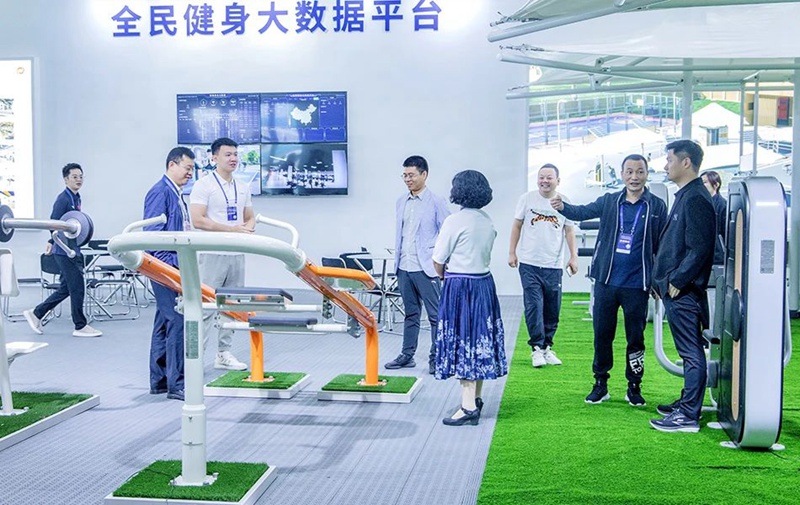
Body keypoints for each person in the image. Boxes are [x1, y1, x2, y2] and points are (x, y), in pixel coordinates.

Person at [551, 154, 667, 406]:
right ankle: (600, 383)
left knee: (636, 338)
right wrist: (563, 207)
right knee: (602, 335)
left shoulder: (656, 206)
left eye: (639, 172)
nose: (634, 177)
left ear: (646, 174)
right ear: (622, 174)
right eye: (629, 172)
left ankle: (634, 386)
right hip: (606, 282)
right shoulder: (610, 201)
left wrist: (658, 280)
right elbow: (582, 212)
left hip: (637, 284)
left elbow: (662, 245)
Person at [650, 140, 716, 433]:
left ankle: (689, 415)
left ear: (685, 162)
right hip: (674, 288)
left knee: (691, 352)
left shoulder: (696, 198)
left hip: (684, 290)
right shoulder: (686, 195)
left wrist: (677, 280)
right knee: (688, 350)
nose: (666, 165)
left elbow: (700, 248)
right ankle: (687, 404)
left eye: (669, 160)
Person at [433, 170, 507, 426]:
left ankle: (467, 407)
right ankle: (475, 399)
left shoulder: (454, 221)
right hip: (484, 284)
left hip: (460, 285)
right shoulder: (487, 220)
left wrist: (443, 275)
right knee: (481, 338)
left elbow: (438, 260)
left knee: (463, 340)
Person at [189, 137, 254, 371]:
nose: (233, 158)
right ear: (214, 157)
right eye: (228, 154)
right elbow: (198, 220)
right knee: (206, 306)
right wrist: (231, 230)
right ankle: (196, 359)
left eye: (235, 154)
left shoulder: (243, 186)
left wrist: (247, 228)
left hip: (236, 253)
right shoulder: (203, 185)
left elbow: (250, 216)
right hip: (211, 253)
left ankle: (223, 353)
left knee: (232, 305)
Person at [385, 155, 450, 374]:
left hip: (426, 268)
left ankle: (436, 357)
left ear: (424, 174)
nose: (407, 179)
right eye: (404, 175)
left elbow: (447, 234)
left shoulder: (437, 202)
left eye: (411, 175)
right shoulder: (400, 201)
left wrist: (442, 263)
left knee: (436, 316)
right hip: (404, 266)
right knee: (410, 314)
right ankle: (407, 355)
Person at [509, 164, 578, 368]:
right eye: (541, 177)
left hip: (553, 265)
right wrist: (512, 252)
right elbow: (517, 225)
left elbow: (569, 231)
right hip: (529, 263)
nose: (544, 181)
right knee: (534, 306)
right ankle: (536, 349)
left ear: (558, 180)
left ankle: (547, 347)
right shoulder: (527, 199)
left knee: (552, 308)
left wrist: (573, 257)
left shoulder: (564, 201)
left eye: (549, 177)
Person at [23, 163, 102, 338]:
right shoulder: (63, 199)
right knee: (77, 287)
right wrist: (52, 240)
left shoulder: (76, 197)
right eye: (74, 177)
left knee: (66, 288)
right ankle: (80, 326)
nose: (79, 179)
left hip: (72, 248)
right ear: (66, 179)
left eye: (81, 176)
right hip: (65, 251)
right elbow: (54, 222)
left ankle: (36, 313)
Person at [143, 147, 195, 401]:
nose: (190, 173)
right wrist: (170, 269)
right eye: (187, 168)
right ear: (172, 165)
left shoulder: (177, 193)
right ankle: (177, 384)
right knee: (176, 320)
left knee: (163, 322)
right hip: (165, 267)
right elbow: (152, 236)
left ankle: (160, 381)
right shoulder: (160, 191)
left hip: (173, 265)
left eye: (192, 169)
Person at [702, 170, 727, 265]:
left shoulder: (722, 205)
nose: (701, 186)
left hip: (716, 258)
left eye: (705, 182)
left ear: (716, 185)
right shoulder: (701, 203)